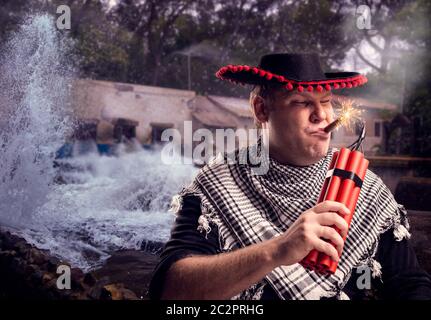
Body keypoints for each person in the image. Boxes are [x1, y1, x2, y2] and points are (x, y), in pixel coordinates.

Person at [149, 53, 431, 300]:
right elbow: (170, 289)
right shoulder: (217, 184)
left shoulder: (365, 187)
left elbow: (409, 284)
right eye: (301, 102)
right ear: (261, 110)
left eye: (326, 101)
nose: (322, 115)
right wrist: (276, 250)